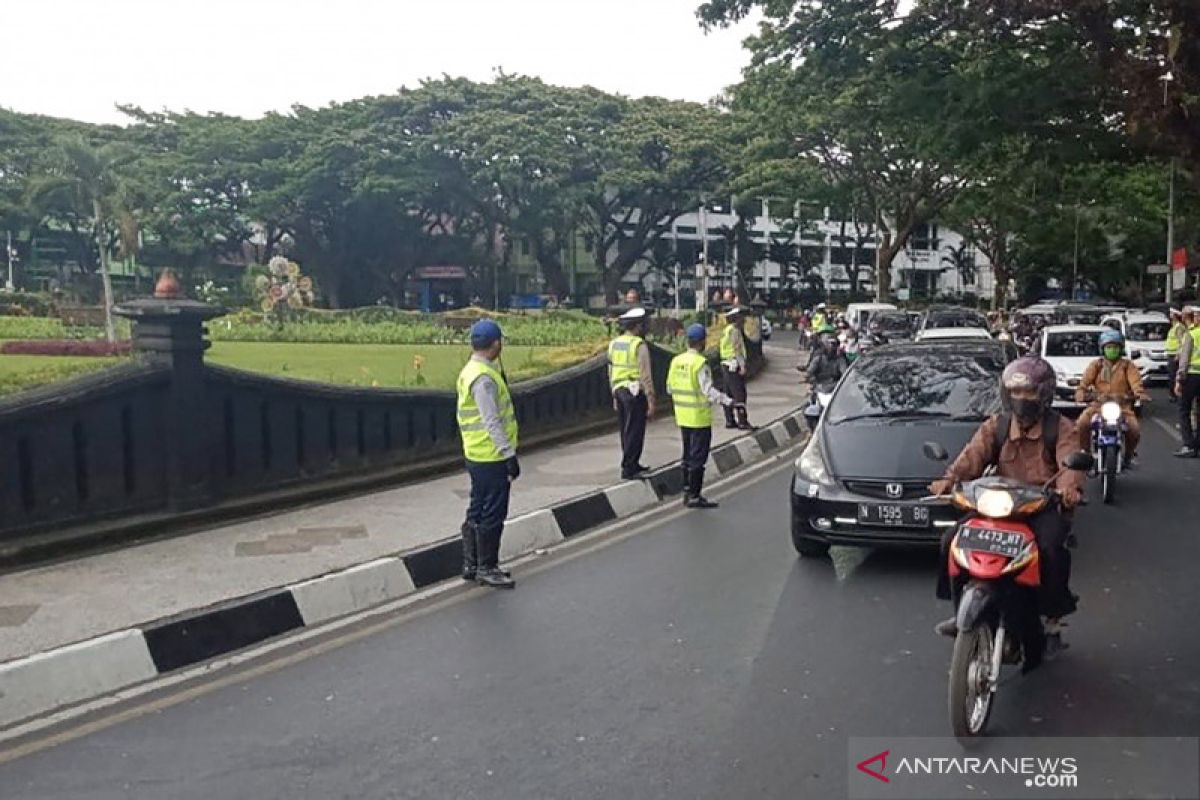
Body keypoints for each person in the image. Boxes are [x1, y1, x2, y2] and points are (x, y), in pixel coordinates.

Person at [929, 356, 1084, 641]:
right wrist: (949, 479)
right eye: (1016, 392)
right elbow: (973, 455)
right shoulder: (997, 425)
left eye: (1029, 392)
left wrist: (1068, 489)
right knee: (951, 539)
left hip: (1041, 505)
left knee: (1050, 549)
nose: (1022, 399)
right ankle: (957, 608)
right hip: (999, 503)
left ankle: (1052, 611)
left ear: (1045, 394)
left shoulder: (1060, 427)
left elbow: (1069, 464)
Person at [456, 319, 519, 589]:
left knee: (478, 508)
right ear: (496, 344)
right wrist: (508, 454)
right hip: (491, 455)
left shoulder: (471, 370)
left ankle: (471, 564)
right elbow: (492, 419)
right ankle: (487, 566)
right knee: (492, 512)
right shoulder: (483, 379)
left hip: (476, 452)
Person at [667, 324, 734, 509]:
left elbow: (669, 388)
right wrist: (727, 401)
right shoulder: (700, 363)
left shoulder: (676, 361)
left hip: (682, 417)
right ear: (702, 341)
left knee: (687, 455)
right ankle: (695, 496)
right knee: (698, 458)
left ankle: (687, 491)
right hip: (699, 417)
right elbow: (708, 391)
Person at [1075, 329, 1148, 466]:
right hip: (1098, 406)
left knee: (1134, 430)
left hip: (1122, 407)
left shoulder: (1128, 366)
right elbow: (1084, 382)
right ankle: (1085, 453)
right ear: (1103, 349)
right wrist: (1081, 392)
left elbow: (1135, 382)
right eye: (1109, 347)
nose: (1112, 350)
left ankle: (1128, 456)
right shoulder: (1096, 365)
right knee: (1081, 424)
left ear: (1121, 348)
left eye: (1115, 347)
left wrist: (1139, 393)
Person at [608, 307, 656, 479]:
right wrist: (651, 399)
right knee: (635, 430)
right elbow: (645, 374)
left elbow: (610, 369)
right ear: (637, 326)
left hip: (619, 389)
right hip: (634, 391)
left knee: (625, 430)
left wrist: (613, 394)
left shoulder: (614, 343)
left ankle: (632, 463)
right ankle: (629, 467)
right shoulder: (638, 345)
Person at [719, 306, 753, 430]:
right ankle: (742, 421)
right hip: (734, 364)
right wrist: (742, 366)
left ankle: (729, 420)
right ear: (736, 319)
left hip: (725, 364)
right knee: (740, 394)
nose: (743, 320)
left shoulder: (726, 330)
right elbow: (737, 349)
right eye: (741, 317)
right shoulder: (734, 331)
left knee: (728, 393)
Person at [1174, 306, 1200, 458]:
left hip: (1191, 377)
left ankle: (1189, 445)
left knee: (1184, 410)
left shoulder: (1191, 334)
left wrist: (1179, 379)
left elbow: (1184, 359)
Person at [1165, 307, 1187, 401]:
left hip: (1175, 355)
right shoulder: (1174, 326)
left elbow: (1182, 342)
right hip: (1171, 353)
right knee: (1171, 375)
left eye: (1171, 313)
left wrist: (1178, 354)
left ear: (1175, 315)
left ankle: (1175, 394)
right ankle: (1173, 394)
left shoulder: (1179, 327)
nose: (1170, 315)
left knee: (1174, 375)